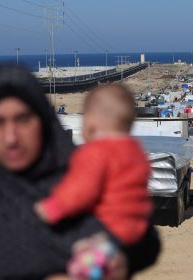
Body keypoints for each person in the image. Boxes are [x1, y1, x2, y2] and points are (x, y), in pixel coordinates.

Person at [0, 63, 160, 279]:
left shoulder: (79, 171)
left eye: (22, 119)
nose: (11, 138)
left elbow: (144, 237)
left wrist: (125, 258)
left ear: (43, 120)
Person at [35, 84, 152, 275]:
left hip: (106, 231)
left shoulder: (95, 152)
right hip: (136, 229)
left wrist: (51, 209)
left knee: (80, 268)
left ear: (91, 122)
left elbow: (80, 191)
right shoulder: (136, 151)